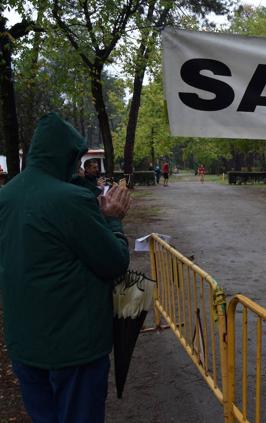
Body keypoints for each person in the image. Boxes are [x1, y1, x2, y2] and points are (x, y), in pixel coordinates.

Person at [0, 112, 131, 422]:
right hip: (74, 348)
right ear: (67, 155)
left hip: (25, 344)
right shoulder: (70, 200)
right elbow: (114, 262)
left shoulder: (6, 197)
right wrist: (111, 220)